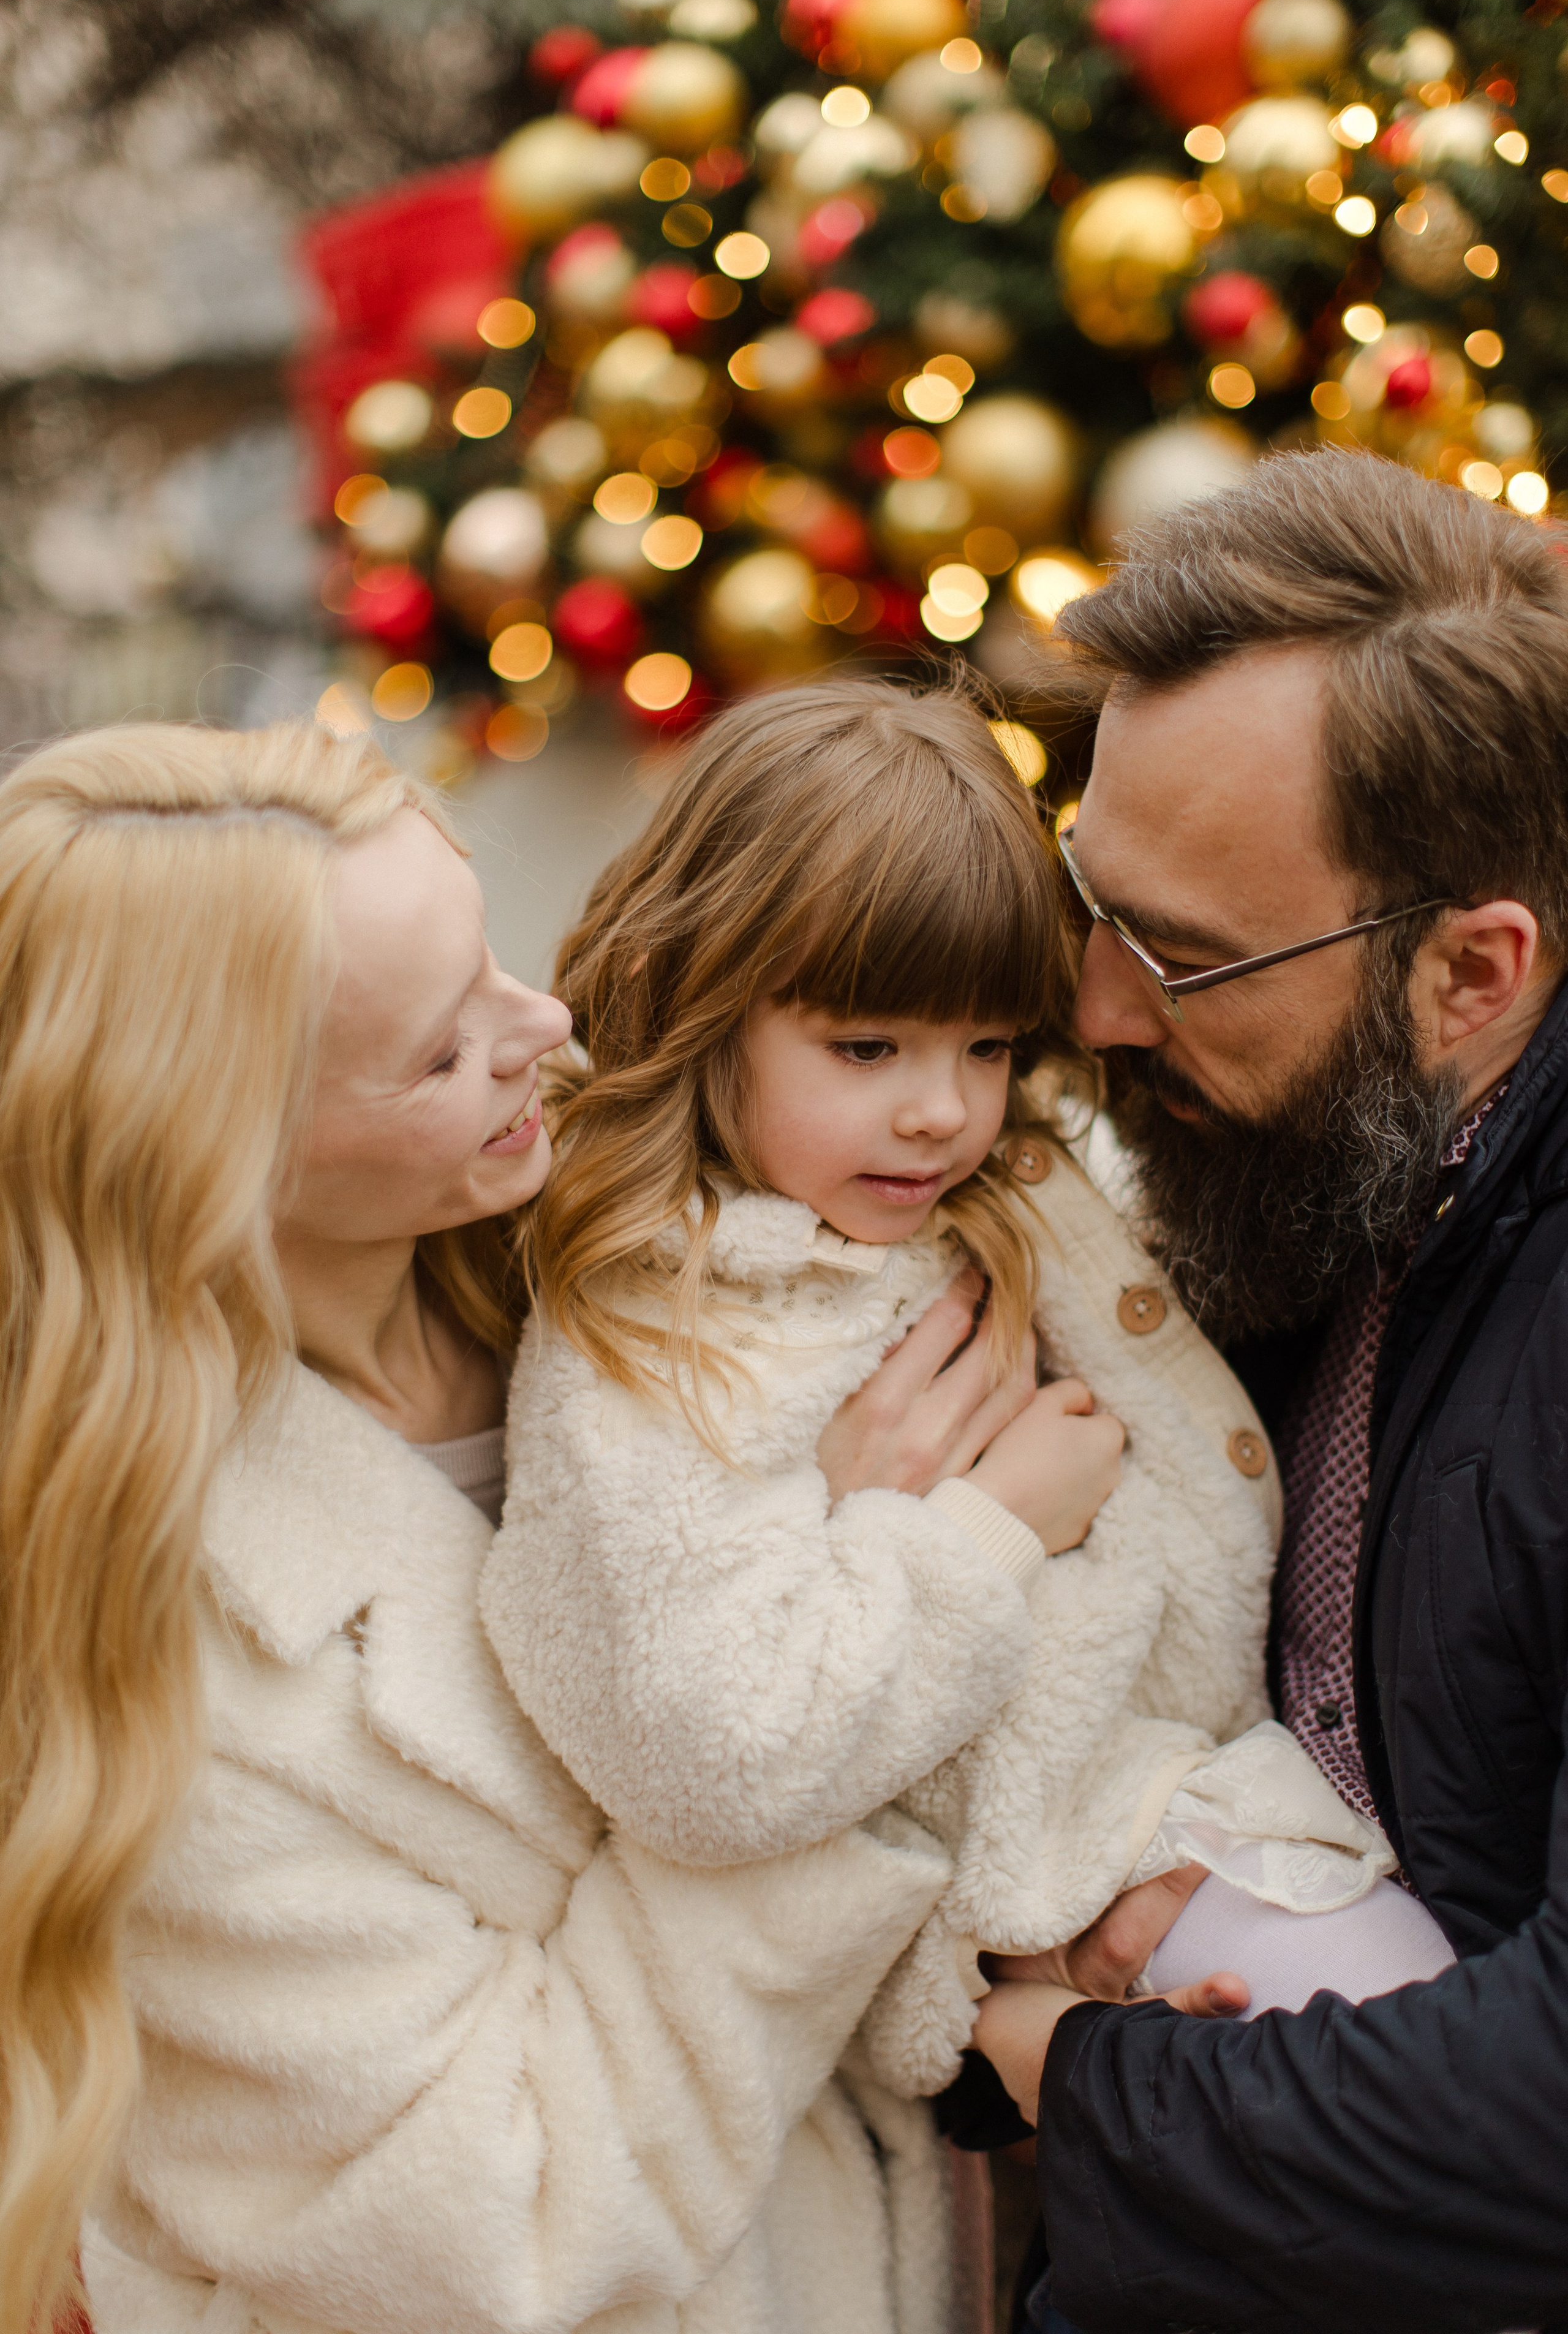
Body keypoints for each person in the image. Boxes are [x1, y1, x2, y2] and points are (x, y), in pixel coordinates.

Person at [0, 716, 1054, 2334]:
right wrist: (876, 1607)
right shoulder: (156, 1660)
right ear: (210, 1151)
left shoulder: (624, 1258)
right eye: (438, 1051)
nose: (545, 1023)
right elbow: (489, 2228)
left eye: (491, 957)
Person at [480, 678, 1392, 2113]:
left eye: (982, 1046)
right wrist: (980, 1528)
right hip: (1062, 1885)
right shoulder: (651, 1330)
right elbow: (706, 1754)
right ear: (702, 1006)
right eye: (864, 1048)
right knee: (1415, 2142)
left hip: (1219, 1811)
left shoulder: (1015, 1182)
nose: (940, 1110)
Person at [970, 448, 1568, 2333]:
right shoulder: (1295, 1170)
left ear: (1471, 973)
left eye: (1191, 958)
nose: (1097, 1009)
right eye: (1095, 902)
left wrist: (1077, 2069)